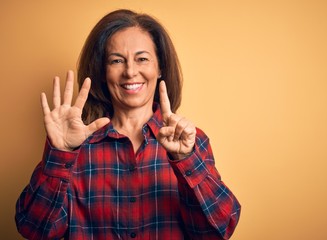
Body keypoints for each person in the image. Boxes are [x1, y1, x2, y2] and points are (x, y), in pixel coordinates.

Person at [15, 9, 241, 240]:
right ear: (103, 72)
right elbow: (34, 230)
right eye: (116, 61)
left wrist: (185, 160)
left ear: (160, 67)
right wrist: (60, 155)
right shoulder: (76, 147)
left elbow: (218, 231)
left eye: (142, 58)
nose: (130, 72)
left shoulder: (191, 142)